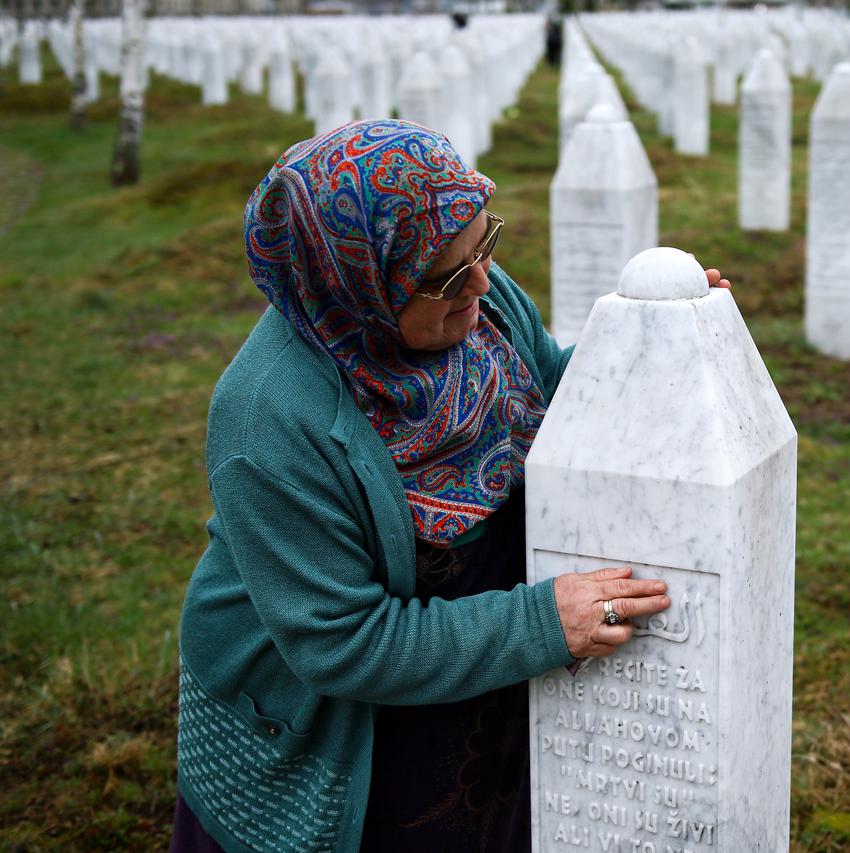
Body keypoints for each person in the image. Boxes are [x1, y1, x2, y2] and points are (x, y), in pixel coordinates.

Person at [170, 119, 729, 853]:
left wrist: (647, 343)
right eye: (443, 274)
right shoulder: (269, 423)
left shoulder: (480, 308)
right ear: (360, 282)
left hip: (486, 631)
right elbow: (343, 641)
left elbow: (552, 392)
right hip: (343, 701)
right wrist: (540, 626)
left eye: (483, 244)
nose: (482, 282)